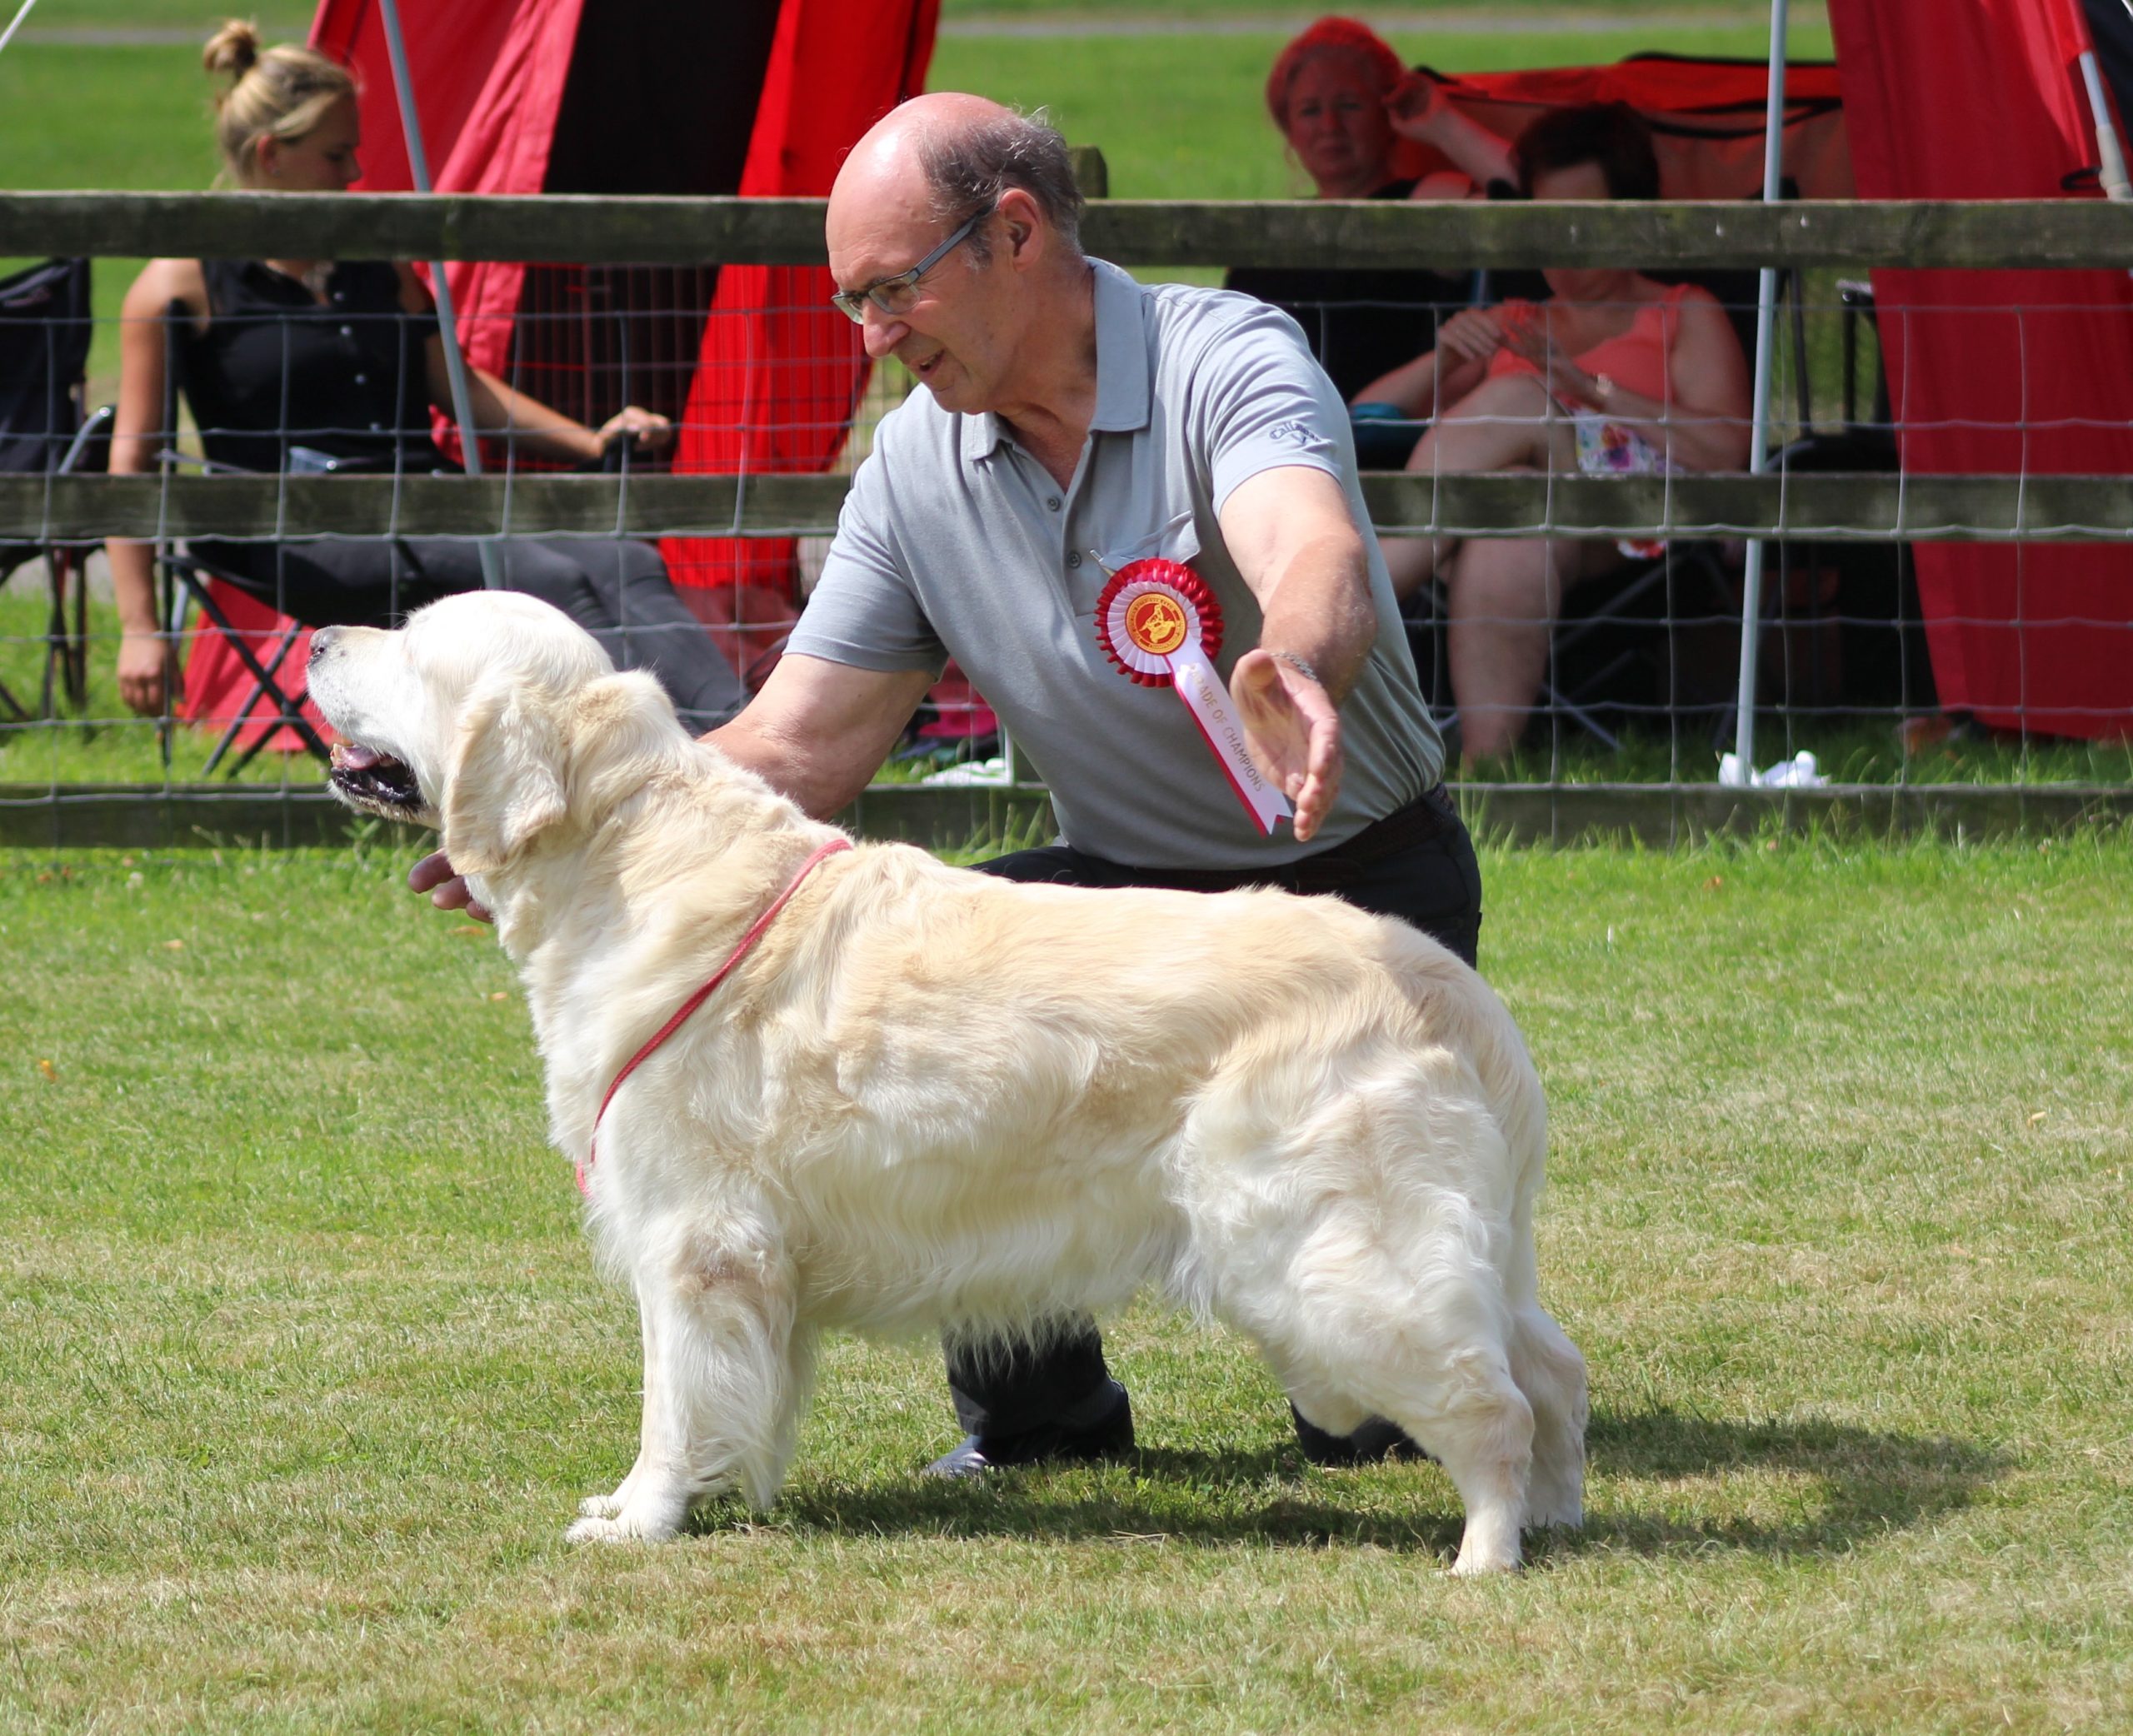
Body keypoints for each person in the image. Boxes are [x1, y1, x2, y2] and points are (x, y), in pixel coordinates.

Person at [417, 93, 1482, 1474]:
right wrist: (554, 824)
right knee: (936, 1012)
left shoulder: (1226, 354)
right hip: (1129, 904)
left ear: (1015, 234)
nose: (873, 335)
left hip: (1359, 889)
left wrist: (1296, 662)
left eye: (892, 289)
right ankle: (1041, 1428)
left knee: (1366, 1420)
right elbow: (800, 743)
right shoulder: (913, 467)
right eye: (851, 300)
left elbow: (1308, 541)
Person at [107, 22, 744, 729]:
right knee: (547, 579)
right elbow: (130, 465)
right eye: (336, 155)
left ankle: (737, 732)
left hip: (427, 504)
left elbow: (461, 389)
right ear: (271, 155)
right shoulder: (180, 285)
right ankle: (648, 754)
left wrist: (592, 441)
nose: (355, 173)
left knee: (626, 557)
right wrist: (139, 627)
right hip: (292, 532)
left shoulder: (379, 264)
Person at [1356, 103, 1754, 765]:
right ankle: (1488, 771)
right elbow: (1365, 417)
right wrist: (1444, 358)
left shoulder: (1682, 311)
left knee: (1517, 398)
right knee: (1512, 515)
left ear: (1631, 214)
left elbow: (1726, 449)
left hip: (1637, 528)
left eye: (1582, 220)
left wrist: (1583, 386)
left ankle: (1352, 605)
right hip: (1523, 523)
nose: (1562, 244)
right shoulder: (1518, 320)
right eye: (1546, 221)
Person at [1225, 17, 1526, 409]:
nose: (1330, 125)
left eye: (1350, 106)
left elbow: (1534, 200)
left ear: (1387, 115)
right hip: (1272, 423)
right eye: (1310, 111)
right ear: (1289, 128)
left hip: (1389, 427)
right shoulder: (1269, 231)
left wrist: (1441, 123)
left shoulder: (1426, 199)